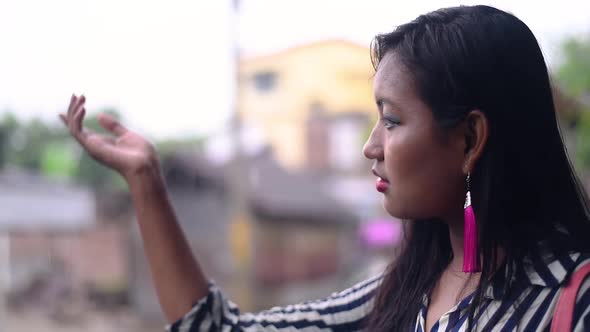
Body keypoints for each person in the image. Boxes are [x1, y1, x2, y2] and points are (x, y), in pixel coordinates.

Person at [61, 5, 590, 331]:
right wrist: (147, 182)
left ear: (471, 138)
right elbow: (217, 328)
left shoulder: (572, 298)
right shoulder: (406, 291)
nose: (370, 147)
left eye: (392, 121)